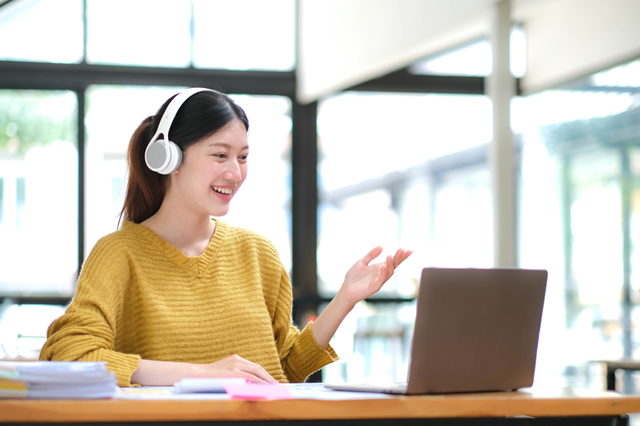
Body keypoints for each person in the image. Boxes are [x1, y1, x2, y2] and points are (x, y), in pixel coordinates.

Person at [39, 88, 412, 387]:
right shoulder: (118, 254)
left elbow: (283, 368)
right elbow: (69, 355)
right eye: (220, 155)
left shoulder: (258, 252)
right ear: (168, 159)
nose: (235, 173)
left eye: (243, 157)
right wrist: (198, 372)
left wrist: (345, 298)